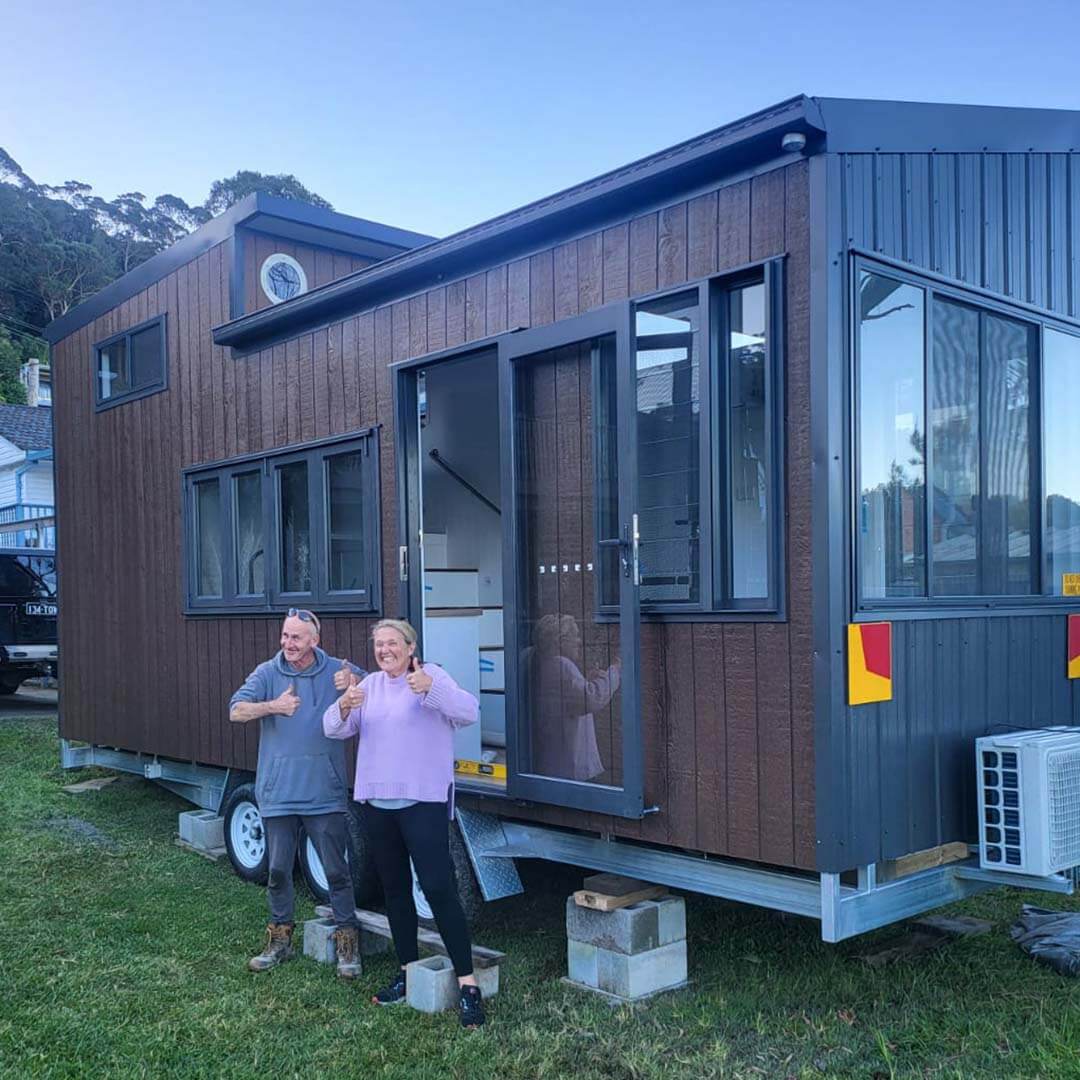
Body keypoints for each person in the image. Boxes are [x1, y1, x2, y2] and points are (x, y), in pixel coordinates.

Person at [323, 618, 485, 1029]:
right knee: (395, 891)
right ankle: (407, 970)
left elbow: (469, 711)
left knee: (438, 889)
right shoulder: (369, 687)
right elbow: (332, 729)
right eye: (379, 644)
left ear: (411, 647)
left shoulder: (432, 677)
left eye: (392, 642)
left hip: (422, 803)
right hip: (378, 805)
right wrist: (344, 704)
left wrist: (431, 689)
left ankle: (468, 985)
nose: (384, 650)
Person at [229, 608, 366, 978]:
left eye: (296, 637)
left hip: (324, 791)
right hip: (278, 793)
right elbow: (235, 711)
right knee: (277, 870)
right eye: (285, 635)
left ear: (314, 640)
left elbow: (375, 688)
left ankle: (348, 944)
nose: (288, 643)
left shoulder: (337, 669)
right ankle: (280, 941)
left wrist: (354, 681)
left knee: (336, 870)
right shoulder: (267, 672)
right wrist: (274, 706)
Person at [528, 613, 620, 782]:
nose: (579, 641)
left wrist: (587, 680)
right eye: (575, 636)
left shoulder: (543, 662)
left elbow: (571, 698)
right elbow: (591, 699)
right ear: (560, 641)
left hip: (555, 761)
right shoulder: (561, 665)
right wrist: (614, 672)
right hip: (571, 766)